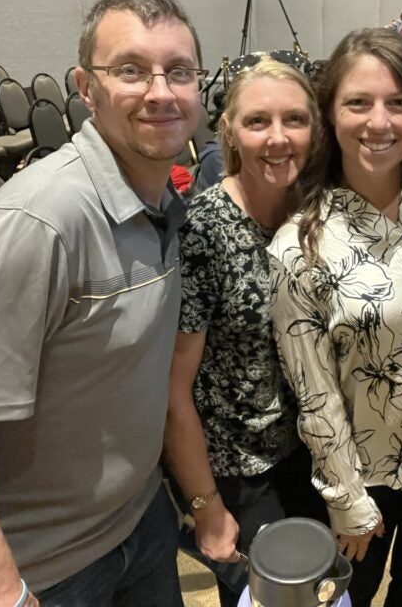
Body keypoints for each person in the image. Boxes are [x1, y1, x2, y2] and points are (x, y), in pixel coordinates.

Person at [0, 0, 204, 607]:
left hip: (136, 524)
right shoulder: (38, 221)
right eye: (130, 70)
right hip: (43, 566)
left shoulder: (163, 204)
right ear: (85, 88)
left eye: (179, 71)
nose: (161, 91)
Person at [267, 28, 402, 607]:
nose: (379, 122)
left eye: (399, 103)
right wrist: (346, 497)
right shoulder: (300, 247)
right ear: (330, 115)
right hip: (366, 479)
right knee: (346, 599)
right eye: (358, 103)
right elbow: (314, 393)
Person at [164, 57, 327, 607]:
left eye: (295, 120)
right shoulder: (204, 229)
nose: (278, 139)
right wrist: (206, 506)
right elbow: (174, 389)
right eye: (258, 122)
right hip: (240, 467)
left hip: (311, 448)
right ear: (229, 130)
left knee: (318, 591)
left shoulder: (316, 209)